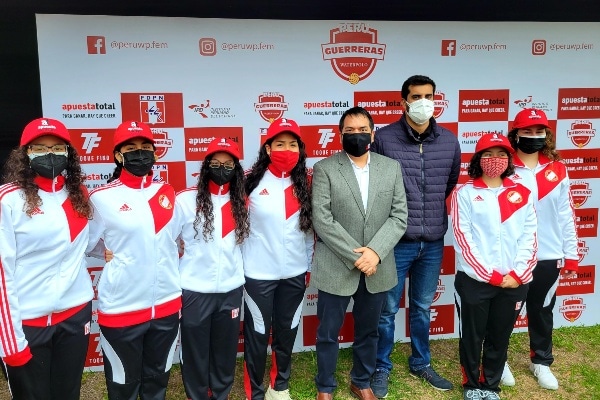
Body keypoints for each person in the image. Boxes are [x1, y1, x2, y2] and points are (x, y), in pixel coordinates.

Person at [370, 74, 460, 396]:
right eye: (416, 96)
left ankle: (421, 362)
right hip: (395, 242)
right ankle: (381, 366)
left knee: (422, 307)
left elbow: (449, 183)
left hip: (433, 241)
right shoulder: (384, 138)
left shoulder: (449, 140)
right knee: (387, 310)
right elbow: (375, 186)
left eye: (429, 96)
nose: (423, 102)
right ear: (404, 102)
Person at [312, 106, 408, 400]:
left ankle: (361, 381)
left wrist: (375, 253)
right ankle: (325, 386)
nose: (357, 135)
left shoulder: (390, 168)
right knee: (328, 332)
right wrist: (358, 257)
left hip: (377, 267)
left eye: (363, 130)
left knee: (369, 331)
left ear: (372, 133)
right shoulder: (325, 168)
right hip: (336, 265)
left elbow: (399, 216)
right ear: (340, 134)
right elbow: (322, 219)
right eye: (350, 131)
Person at [0, 117, 94, 400]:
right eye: (40, 148)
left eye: (57, 147)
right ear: (25, 154)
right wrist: (11, 342)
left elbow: (94, 240)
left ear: (68, 153)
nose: (49, 154)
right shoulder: (8, 199)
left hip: (75, 317)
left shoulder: (79, 195)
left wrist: (110, 251)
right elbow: (2, 273)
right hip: (28, 323)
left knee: (68, 393)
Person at [87, 121, 181, 399]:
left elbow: (174, 238)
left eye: (145, 147)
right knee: (123, 386)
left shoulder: (167, 192)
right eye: (131, 148)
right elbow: (84, 242)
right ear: (118, 155)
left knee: (157, 382)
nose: (139, 153)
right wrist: (104, 252)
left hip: (166, 305)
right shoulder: (101, 197)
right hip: (121, 308)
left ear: (155, 153)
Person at [451, 133, 537, 400]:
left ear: (509, 160)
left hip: (514, 282)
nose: (495, 160)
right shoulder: (464, 193)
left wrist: (518, 274)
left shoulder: (522, 193)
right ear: (478, 159)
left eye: (501, 155)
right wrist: (490, 275)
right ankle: (471, 385)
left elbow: (530, 236)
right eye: (488, 154)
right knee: (472, 336)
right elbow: (462, 238)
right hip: (475, 281)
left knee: (500, 336)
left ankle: (490, 386)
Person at [500, 108, 578, 390]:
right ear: (516, 134)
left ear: (547, 134)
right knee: (505, 312)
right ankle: (498, 360)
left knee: (542, 309)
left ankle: (541, 362)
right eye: (527, 131)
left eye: (539, 131)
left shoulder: (558, 169)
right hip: (513, 256)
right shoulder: (504, 167)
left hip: (548, 254)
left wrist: (571, 255)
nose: (534, 136)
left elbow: (566, 214)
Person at [242, 118, 314, 400]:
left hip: (295, 272)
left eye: (292, 144)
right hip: (258, 274)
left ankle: (279, 386)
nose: (287, 150)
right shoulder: (249, 180)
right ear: (268, 148)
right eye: (280, 144)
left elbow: (309, 232)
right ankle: (255, 392)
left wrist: (307, 266)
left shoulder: (307, 181)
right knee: (258, 335)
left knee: (287, 332)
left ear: (300, 149)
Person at [174, 138, 249, 400]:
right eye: (216, 163)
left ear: (236, 168)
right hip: (194, 290)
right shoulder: (185, 200)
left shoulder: (242, 201)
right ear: (206, 166)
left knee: (225, 350)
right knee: (194, 350)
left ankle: (221, 393)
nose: (222, 169)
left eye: (228, 164)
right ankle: (196, 394)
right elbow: (166, 240)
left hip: (230, 289)